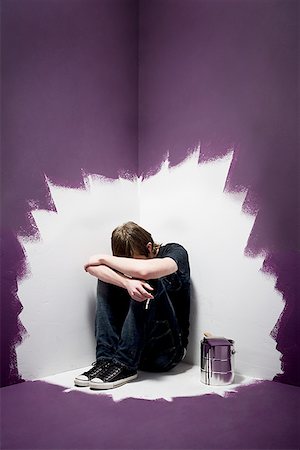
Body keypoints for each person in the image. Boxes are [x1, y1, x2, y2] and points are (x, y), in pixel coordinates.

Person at [74, 221, 190, 390]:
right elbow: (93, 269)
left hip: (166, 352)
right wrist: (125, 282)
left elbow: (144, 271)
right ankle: (105, 361)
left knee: (148, 279)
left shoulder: (175, 252)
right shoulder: (130, 262)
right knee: (106, 278)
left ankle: (125, 365)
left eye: (133, 262)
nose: (131, 269)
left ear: (149, 248)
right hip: (133, 350)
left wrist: (103, 258)